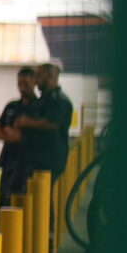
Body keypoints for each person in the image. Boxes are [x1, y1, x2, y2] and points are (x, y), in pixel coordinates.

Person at [15, 61, 76, 192]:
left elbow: (51, 123)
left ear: (50, 76)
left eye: (38, 76)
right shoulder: (45, 99)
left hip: (49, 160)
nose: (35, 81)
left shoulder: (57, 99)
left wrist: (26, 122)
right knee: (38, 201)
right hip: (39, 158)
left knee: (43, 201)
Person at [0, 66, 38, 200]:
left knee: (23, 201)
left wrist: (11, 134)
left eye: (26, 83)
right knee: (4, 199)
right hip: (9, 161)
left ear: (34, 82)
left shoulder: (39, 107)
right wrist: (14, 136)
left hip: (29, 162)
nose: (22, 87)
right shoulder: (11, 106)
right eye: (19, 83)